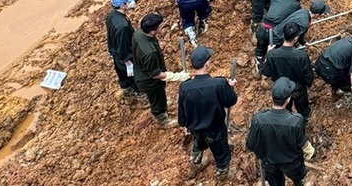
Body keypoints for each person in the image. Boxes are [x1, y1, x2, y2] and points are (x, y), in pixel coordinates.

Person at [178, 46, 238, 179]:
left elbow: (182, 109)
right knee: (221, 152)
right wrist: (230, 88)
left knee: (199, 141)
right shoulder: (219, 83)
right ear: (207, 63)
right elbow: (230, 101)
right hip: (214, 129)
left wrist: (184, 125)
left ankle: (196, 157)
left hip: (195, 128)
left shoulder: (184, 87)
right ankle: (222, 172)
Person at [246, 78, 315, 186]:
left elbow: (250, 145)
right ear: (288, 99)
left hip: (269, 164)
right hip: (292, 163)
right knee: (299, 180)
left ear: (272, 97)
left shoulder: (258, 120)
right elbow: (302, 142)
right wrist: (309, 150)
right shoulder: (296, 120)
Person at [131, 12, 189, 128]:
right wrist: (176, 76)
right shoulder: (150, 52)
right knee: (157, 98)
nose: (163, 26)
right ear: (153, 30)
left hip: (141, 71)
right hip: (149, 81)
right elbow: (156, 74)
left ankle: (161, 105)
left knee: (159, 97)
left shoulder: (138, 33)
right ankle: (161, 119)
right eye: (160, 25)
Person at [262, 22, 315, 127]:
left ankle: (287, 124)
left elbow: (266, 72)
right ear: (295, 39)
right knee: (303, 109)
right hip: (298, 89)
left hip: (282, 90)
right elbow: (308, 75)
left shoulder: (272, 55)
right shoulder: (301, 56)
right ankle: (304, 123)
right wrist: (308, 83)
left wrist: (268, 54)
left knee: (285, 109)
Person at [314, 26, 352, 108]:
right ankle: (351, 107)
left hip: (319, 64)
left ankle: (336, 93)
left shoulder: (347, 39)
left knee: (341, 76)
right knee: (348, 85)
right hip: (329, 71)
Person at [105, 0, 145, 103]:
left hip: (115, 53)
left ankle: (128, 94)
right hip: (124, 55)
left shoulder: (112, 15)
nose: (133, 2)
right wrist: (128, 62)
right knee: (135, 77)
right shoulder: (122, 26)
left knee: (123, 77)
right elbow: (123, 45)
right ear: (123, 5)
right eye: (130, 1)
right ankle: (142, 99)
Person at [255, 0, 304, 71]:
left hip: (262, 28)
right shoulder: (296, 5)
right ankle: (268, 68)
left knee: (260, 47)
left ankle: (258, 62)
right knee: (275, 52)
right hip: (274, 34)